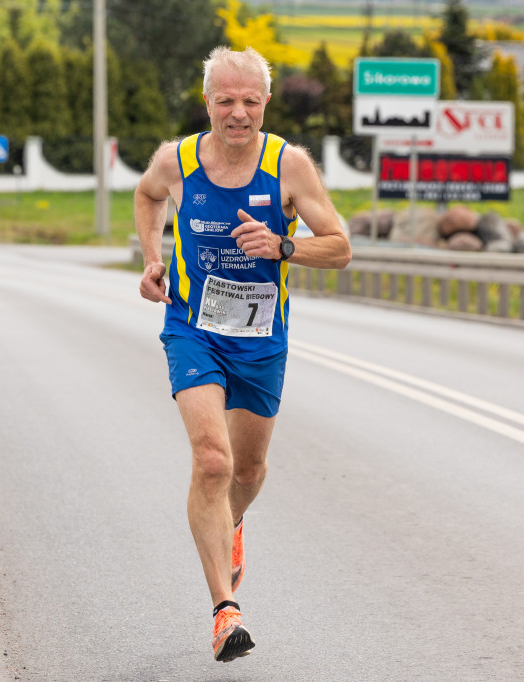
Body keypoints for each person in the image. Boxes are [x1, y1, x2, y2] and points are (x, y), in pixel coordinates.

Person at [134, 46, 351, 663]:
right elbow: (147, 197)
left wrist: (283, 247)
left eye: (249, 101)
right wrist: (152, 258)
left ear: (265, 104)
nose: (238, 113)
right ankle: (224, 611)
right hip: (192, 328)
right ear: (207, 103)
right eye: (225, 101)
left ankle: (227, 526)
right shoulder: (176, 161)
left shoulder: (289, 166)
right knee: (211, 462)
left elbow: (338, 247)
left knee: (248, 473)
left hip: (260, 339)